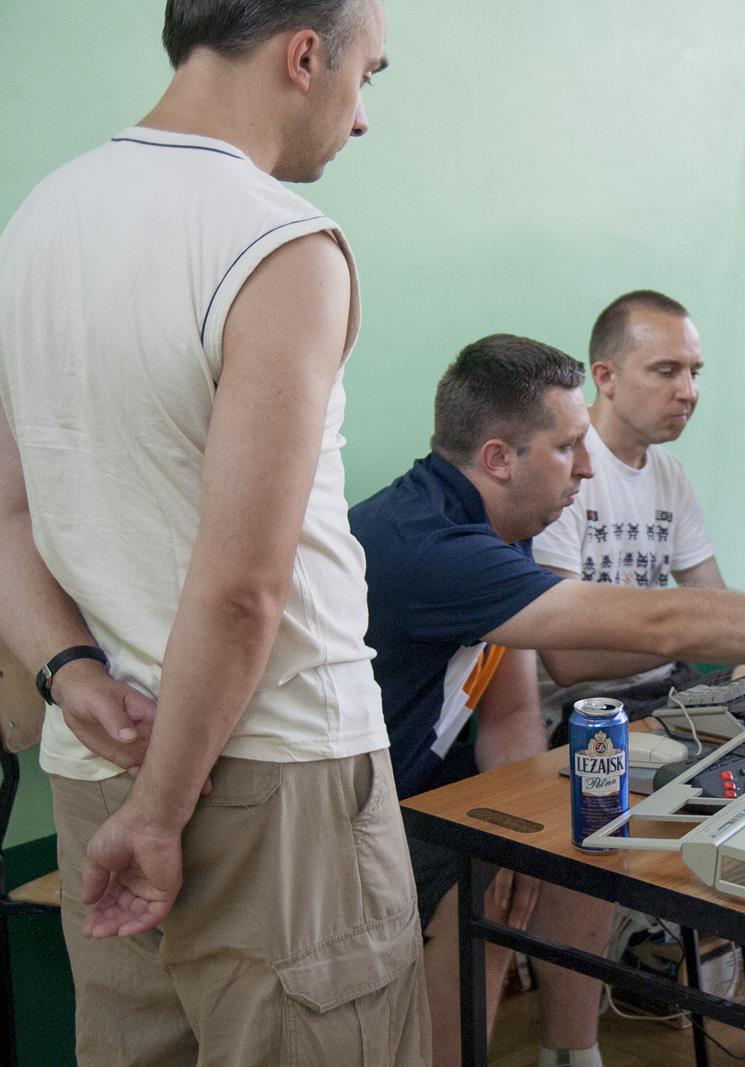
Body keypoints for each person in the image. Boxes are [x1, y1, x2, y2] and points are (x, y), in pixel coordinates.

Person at [352, 333, 745, 1066]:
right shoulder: (432, 546)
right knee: (487, 885)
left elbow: (511, 711)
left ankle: (575, 1053)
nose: (586, 466)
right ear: (499, 458)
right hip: (350, 812)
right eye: (567, 447)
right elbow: (668, 620)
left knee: (552, 840)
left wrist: (520, 838)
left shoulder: (493, 520)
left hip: (413, 781)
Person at [0, 2, 427, 1063]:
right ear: (304, 56)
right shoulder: (279, 242)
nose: (361, 116)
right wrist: (160, 811)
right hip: (273, 768)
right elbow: (242, 586)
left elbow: (8, 513)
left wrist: (67, 671)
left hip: (98, 752)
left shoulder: (37, 220)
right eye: (368, 74)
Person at [530, 290, 721, 735]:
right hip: (589, 711)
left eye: (694, 372)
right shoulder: (561, 469)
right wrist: (692, 633)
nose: (688, 392)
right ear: (606, 377)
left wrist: (723, 641)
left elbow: (715, 602)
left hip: (671, 688)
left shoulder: (670, 473)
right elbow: (568, 658)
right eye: (666, 372)